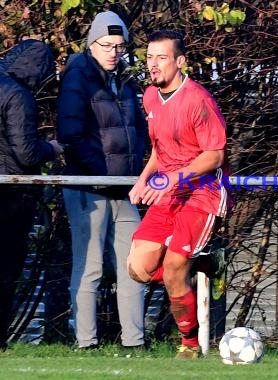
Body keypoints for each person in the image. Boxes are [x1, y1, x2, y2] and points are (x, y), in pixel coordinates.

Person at [126, 29, 231, 359]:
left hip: (203, 191)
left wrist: (173, 179)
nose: (153, 65)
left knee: (172, 268)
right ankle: (203, 261)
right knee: (138, 268)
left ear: (180, 61)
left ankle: (189, 343)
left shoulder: (198, 100)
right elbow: (160, 148)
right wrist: (144, 179)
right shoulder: (150, 97)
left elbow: (215, 155)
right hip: (167, 191)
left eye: (161, 58)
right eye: (149, 58)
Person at [56, 11, 147, 349]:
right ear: (91, 44)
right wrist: (101, 174)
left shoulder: (124, 78)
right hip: (87, 186)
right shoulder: (77, 76)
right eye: (106, 45)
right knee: (90, 265)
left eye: (119, 46)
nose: (113, 52)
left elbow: (139, 128)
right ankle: (85, 341)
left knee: (134, 264)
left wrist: (138, 168)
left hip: (124, 187)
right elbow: (70, 134)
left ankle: (135, 342)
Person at [0, 39, 63, 350]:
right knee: (5, 268)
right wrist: (50, 148)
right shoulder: (18, 94)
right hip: (10, 196)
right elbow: (25, 153)